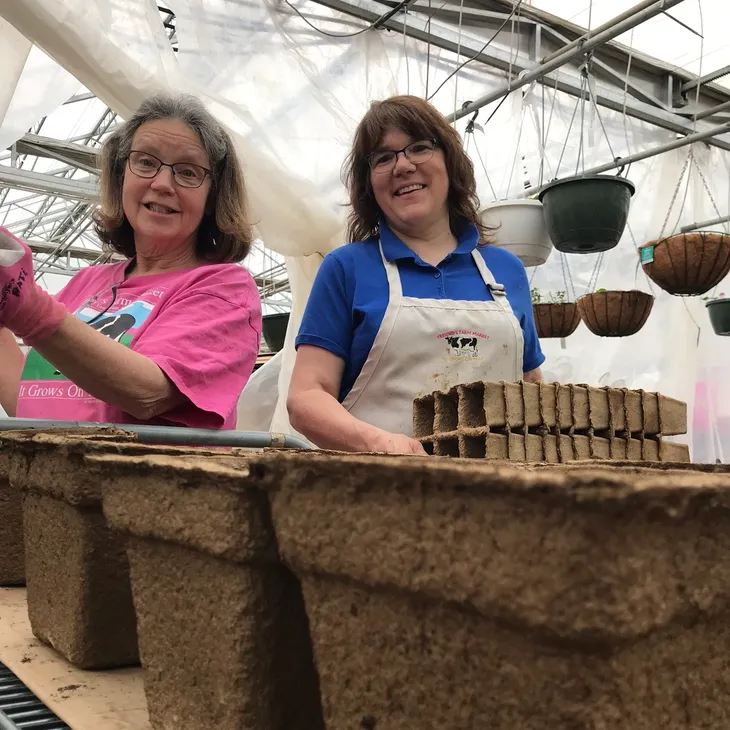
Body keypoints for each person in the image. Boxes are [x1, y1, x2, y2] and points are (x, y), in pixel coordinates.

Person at [287, 95, 545, 454]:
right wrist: (380, 444)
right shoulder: (347, 268)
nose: (403, 166)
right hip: (377, 490)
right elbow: (306, 396)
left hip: (498, 496)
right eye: (383, 158)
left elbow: (532, 389)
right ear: (369, 184)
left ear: (450, 163)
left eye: (419, 148)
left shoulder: (506, 271)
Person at [0, 93, 262, 429]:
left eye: (187, 172)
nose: (162, 183)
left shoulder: (225, 288)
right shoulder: (87, 282)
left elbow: (148, 393)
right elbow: (29, 401)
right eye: (146, 162)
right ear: (121, 176)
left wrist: (27, 307)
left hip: (143, 481)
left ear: (212, 197)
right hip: (51, 476)